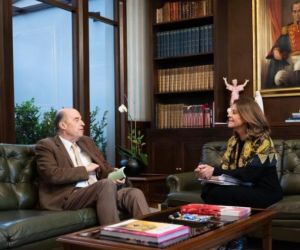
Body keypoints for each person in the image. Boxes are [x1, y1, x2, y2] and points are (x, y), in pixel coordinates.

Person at [36, 108, 150, 226]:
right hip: (69, 196)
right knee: (105, 184)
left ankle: (151, 236)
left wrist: (113, 174)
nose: (83, 123)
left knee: (134, 193)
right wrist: (85, 170)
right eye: (77, 120)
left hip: (98, 191)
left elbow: (104, 166)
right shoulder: (46, 145)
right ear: (63, 125)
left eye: (81, 119)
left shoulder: (86, 142)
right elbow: (52, 175)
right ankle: (113, 238)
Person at [194, 97, 283, 209]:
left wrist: (214, 171)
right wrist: (207, 173)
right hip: (244, 186)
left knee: (218, 193)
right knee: (209, 188)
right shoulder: (233, 141)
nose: (229, 115)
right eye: (230, 111)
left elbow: (248, 174)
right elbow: (227, 169)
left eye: (234, 112)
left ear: (247, 116)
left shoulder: (263, 142)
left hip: (265, 191)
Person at [265, 1, 300, 87]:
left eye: (299, 11)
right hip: (289, 62)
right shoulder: (286, 29)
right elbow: (279, 44)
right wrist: (276, 50)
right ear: (292, 13)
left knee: (298, 65)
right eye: (295, 12)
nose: (297, 14)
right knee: (278, 78)